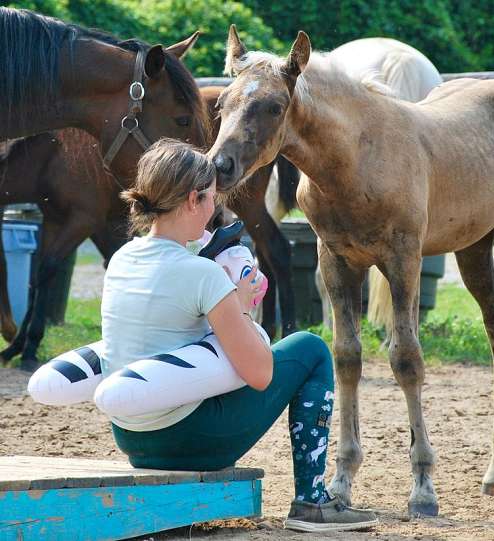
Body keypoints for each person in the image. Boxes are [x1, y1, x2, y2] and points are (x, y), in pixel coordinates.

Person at [100, 138, 378, 532]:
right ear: (193, 200)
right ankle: (312, 501)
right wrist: (241, 306)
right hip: (187, 440)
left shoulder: (123, 258)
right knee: (311, 349)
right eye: (212, 197)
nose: (216, 207)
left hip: (130, 437)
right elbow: (260, 372)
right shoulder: (203, 275)